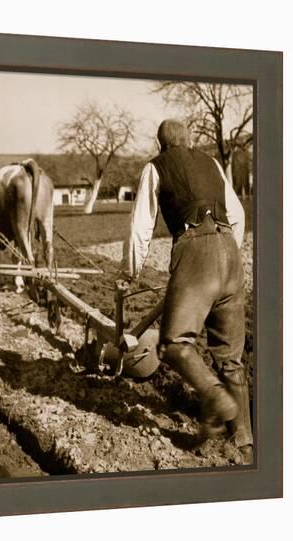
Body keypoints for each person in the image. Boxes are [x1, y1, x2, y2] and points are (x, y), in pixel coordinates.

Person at [120, 119, 253, 464]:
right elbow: (237, 214)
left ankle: (215, 398)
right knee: (231, 359)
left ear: (161, 143)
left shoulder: (156, 166)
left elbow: (141, 226)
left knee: (174, 344)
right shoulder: (210, 162)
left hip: (195, 251)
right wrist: (227, 254)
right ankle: (244, 441)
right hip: (231, 253)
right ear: (189, 140)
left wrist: (129, 273)